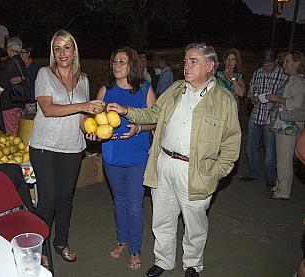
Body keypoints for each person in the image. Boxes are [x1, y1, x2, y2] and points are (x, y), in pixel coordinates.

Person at [108, 43, 241, 277]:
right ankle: (164, 260)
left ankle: (192, 264)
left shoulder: (224, 100)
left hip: (197, 170)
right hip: (165, 163)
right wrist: (125, 110)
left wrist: (216, 172)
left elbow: (231, 144)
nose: (186, 65)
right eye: (186, 60)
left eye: (193, 61)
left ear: (209, 66)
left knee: (194, 224)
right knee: (162, 219)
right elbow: (153, 114)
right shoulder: (177, 88)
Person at [28, 29, 103, 264]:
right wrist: (84, 105)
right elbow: (48, 110)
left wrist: (89, 129)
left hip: (72, 147)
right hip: (45, 147)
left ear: (74, 51)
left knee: (65, 200)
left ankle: (61, 242)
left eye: (66, 47)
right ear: (53, 52)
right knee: (48, 199)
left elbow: (81, 117)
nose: (62, 53)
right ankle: (38, 249)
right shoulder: (44, 74)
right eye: (57, 48)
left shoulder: (83, 79)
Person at [93, 47, 156, 270]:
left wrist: (138, 128)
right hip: (112, 155)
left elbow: (156, 121)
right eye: (114, 62)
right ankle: (122, 240)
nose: (116, 66)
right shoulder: (105, 90)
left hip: (137, 156)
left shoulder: (144, 89)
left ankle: (135, 249)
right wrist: (90, 130)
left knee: (135, 205)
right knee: (119, 201)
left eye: (122, 62)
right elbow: (94, 120)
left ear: (132, 65)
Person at [239, 49, 287, 195]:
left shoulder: (282, 74)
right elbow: (251, 90)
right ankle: (253, 173)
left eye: (270, 64)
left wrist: (275, 98)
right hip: (256, 116)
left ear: (275, 62)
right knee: (250, 148)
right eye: (265, 64)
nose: (267, 67)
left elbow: (286, 95)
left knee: (270, 152)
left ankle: (270, 178)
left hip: (270, 118)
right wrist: (253, 97)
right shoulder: (258, 72)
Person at [266, 51, 305, 199]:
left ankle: (282, 192)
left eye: (288, 61)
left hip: (289, 126)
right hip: (285, 125)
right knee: (282, 159)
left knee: (284, 161)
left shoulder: (299, 81)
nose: (284, 64)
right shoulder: (292, 79)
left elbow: (296, 103)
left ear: (297, 64)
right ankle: (279, 187)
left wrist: (277, 98)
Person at [0, 37, 27, 135]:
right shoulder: (22, 63)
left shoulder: (10, 63)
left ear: (9, 49)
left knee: (11, 131)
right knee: (17, 126)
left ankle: (15, 149)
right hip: (19, 100)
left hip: (9, 102)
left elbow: (2, 84)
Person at [20, 42, 41, 114]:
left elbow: (33, 85)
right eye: (20, 53)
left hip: (30, 101)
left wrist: (32, 101)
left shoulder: (33, 67)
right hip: (22, 99)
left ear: (28, 54)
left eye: (23, 53)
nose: (21, 55)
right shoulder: (20, 66)